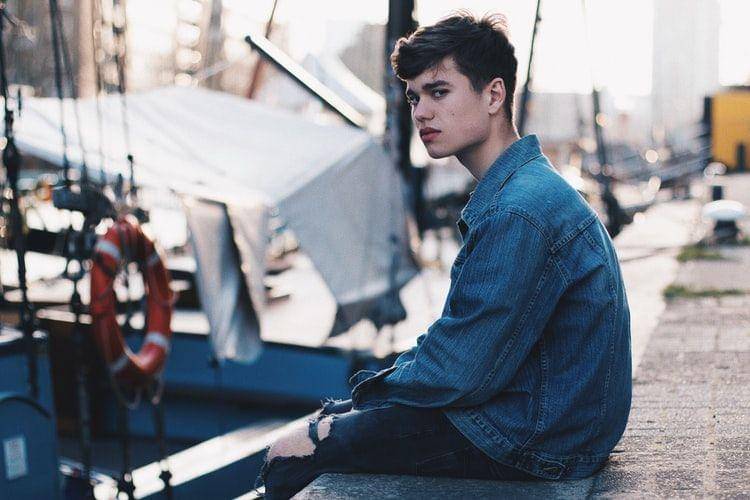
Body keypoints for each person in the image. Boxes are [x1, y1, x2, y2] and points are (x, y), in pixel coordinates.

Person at [256, 12, 631, 499]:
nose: (420, 113)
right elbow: (464, 347)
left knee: (289, 450)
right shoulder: (528, 189)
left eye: (438, 92)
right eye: (415, 97)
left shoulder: (519, 210)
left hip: (533, 440)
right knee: (327, 427)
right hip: (555, 426)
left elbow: (459, 368)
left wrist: (361, 402)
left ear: (493, 96)